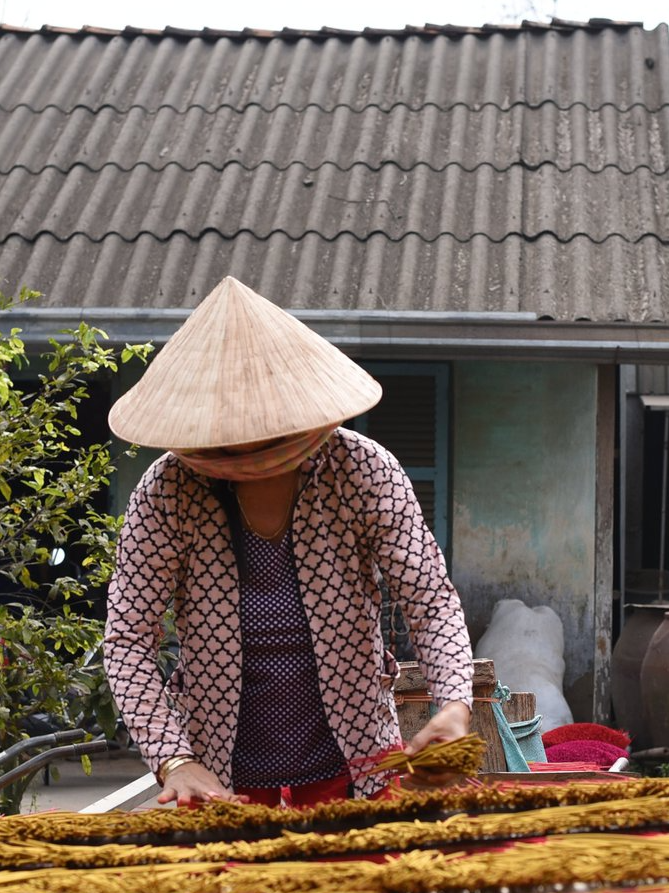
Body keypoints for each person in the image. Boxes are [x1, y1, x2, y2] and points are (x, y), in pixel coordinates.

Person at [101, 276, 476, 808]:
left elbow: (430, 601)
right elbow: (127, 642)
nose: (248, 453)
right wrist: (176, 761)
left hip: (356, 767)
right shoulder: (167, 491)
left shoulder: (364, 471)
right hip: (220, 782)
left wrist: (454, 706)